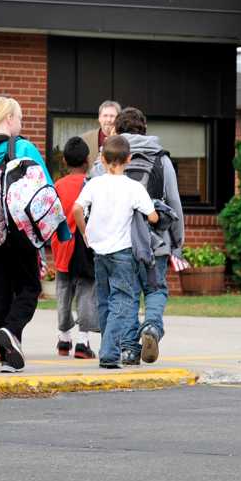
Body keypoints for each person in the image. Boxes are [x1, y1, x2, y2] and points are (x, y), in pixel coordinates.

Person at [0, 96, 68, 374]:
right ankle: (11, 330)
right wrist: (60, 229)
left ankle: (7, 353)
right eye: (19, 118)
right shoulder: (23, 147)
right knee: (29, 288)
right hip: (19, 230)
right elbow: (45, 191)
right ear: (9, 119)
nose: (21, 123)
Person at [70, 135, 161, 368]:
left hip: (98, 252)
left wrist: (83, 231)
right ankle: (109, 353)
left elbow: (77, 208)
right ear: (129, 159)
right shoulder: (133, 187)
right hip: (122, 251)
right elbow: (152, 216)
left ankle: (106, 345)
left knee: (104, 300)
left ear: (102, 158)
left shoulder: (95, 183)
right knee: (122, 300)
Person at [117, 106, 186, 269]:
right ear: (145, 129)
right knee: (156, 290)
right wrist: (178, 242)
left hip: (119, 244)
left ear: (117, 130)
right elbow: (174, 201)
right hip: (157, 242)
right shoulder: (161, 159)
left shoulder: (107, 159)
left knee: (126, 293)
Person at [52, 137, 98, 360]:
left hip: (62, 247)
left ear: (64, 160)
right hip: (84, 248)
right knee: (85, 293)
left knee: (63, 293)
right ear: (88, 160)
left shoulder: (57, 185)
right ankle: (83, 341)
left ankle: (63, 338)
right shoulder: (90, 184)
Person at [84, 100, 122, 175]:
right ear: (99, 118)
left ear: (119, 119)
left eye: (112, 116)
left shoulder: (125, 140)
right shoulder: (85, 139)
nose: (108, 120)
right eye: (105, 116)